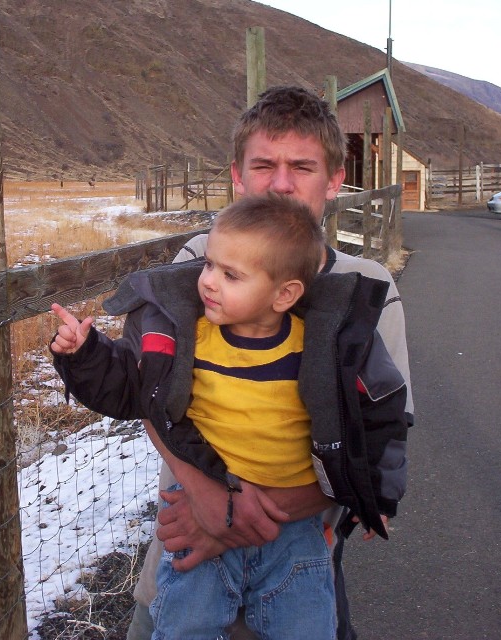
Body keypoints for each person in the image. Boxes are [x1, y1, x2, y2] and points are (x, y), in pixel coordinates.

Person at [125, 85, 414, 640]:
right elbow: (150, 395)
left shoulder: (369, 290)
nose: (281, 182)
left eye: (302, 167)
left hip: (300, 564)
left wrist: (230, 523)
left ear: (333, 179)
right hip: (186, 554)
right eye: (264, 164)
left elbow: (378, 436)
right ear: (237, 175)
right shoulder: (199, 266)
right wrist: (207, 498)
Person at [49, 193, 409, 639]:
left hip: (296, 534)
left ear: (284, 294)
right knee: (183, 628)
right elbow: (134, 389)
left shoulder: (326, 346)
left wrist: (375, 496)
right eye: (209, 265)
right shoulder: (186, 337)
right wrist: (84, 355)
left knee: (307, 628)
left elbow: (379, 417)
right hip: (200, 519)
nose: (209, 283)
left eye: (231, 274)